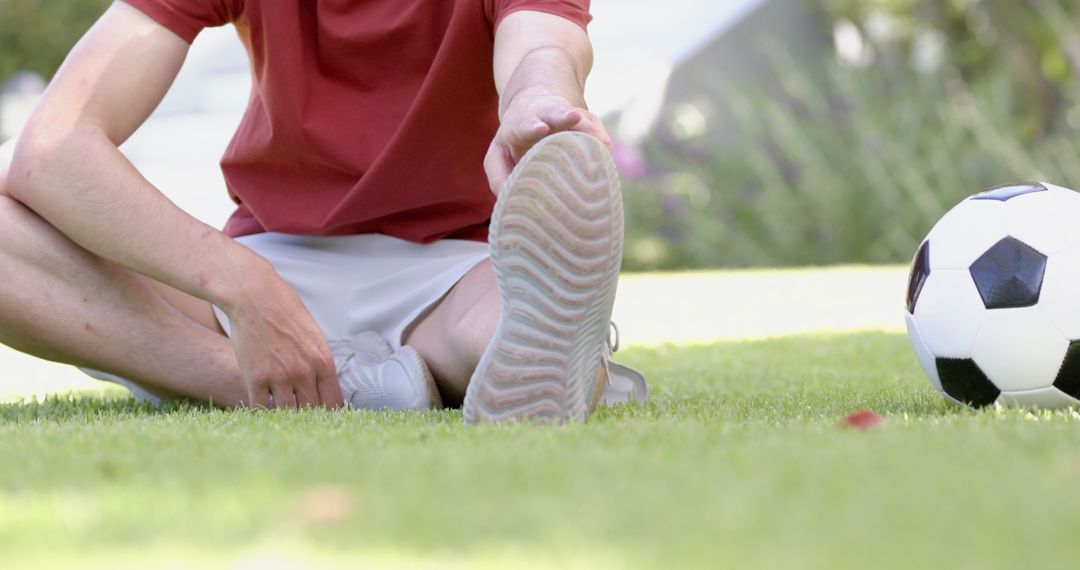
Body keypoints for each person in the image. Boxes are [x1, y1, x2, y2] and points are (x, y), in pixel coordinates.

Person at [0, 0, 645, 423]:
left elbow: (542, 49)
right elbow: (52, 148)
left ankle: (545, 350)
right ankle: (277, 383)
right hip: (270, 256)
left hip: (451, 269)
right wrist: (244, 285)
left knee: (504, 333)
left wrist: (539, 104)